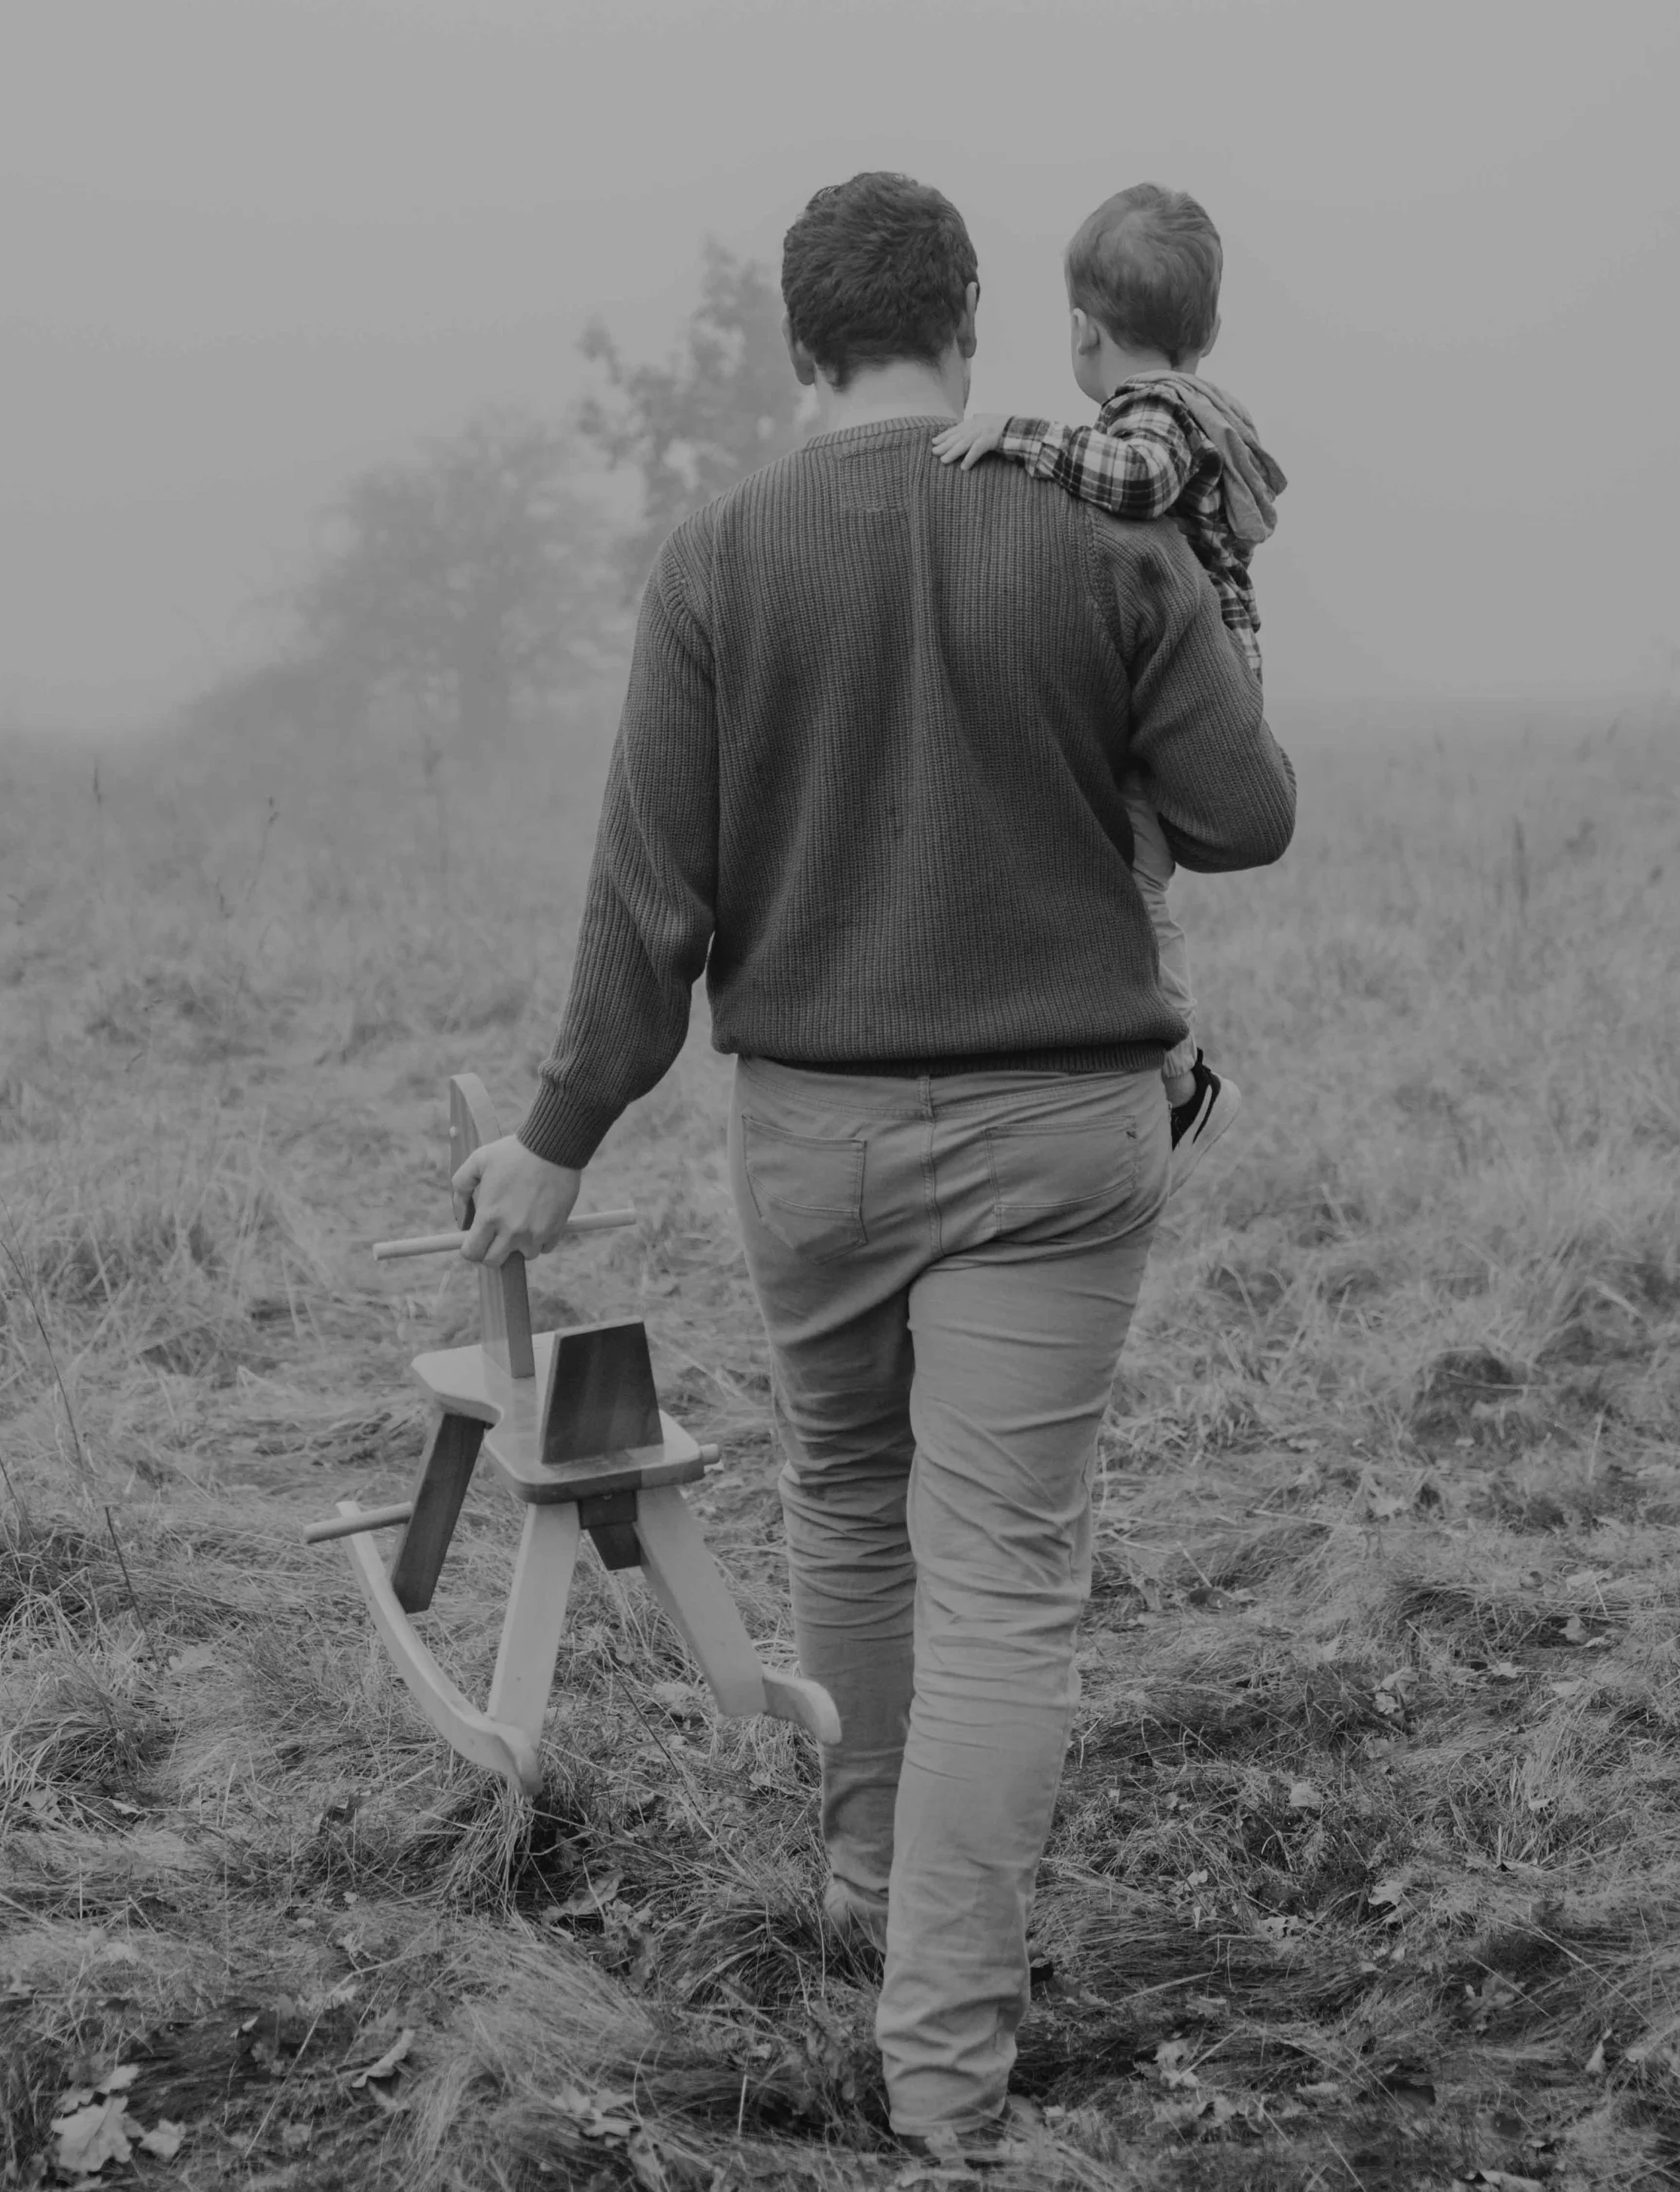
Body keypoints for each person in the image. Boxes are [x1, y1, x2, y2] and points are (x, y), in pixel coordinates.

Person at [451, 172, 1295, 2148]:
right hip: (1062, 1131)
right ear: (971, 322)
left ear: (796, 337)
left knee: (845, 1483)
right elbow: (1243, 810)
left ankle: (855, 1869)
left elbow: (648, 904)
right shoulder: (1095, 524)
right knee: (1001, 1573)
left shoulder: (716, 554)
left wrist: (557, 1141)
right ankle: (944, 2071)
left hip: (812, 1139)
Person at [933, 183, 1285, 1186]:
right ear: (1206, 327)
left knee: (1134, 883)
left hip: (1198, 690)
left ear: (1084, 332)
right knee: (1123, 873)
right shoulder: (1191, 404)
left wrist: (1018, 436)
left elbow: (1133, 481)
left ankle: (1179, 1076)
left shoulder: (1158, 419)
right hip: (1199, 678)